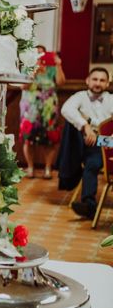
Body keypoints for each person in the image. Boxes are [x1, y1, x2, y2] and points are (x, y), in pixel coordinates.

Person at [61, 67, 113, 219]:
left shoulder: (111, 100)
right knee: (72, 130)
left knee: (92, 162)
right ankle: (87, 201)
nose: (98, 83)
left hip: (106, 145)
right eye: (95, 79)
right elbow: (66, 109)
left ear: (108, 83)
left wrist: (99, 137)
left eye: (102, 80)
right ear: (88, 81)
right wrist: (85, 125)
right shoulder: (80, 96)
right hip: (82, 144)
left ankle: (89, 205)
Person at [19, 45, 65, 179]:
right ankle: (30, 167)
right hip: (30, 108)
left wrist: (58, 65)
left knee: (50, 138)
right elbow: (23, 86)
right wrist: (33, 71)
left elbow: (61, 82)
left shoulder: (52, 68)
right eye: (36, 54)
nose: (39, 56)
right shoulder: (26, 68)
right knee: (28, 138)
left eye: (41, 54)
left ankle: (48, 169)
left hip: (48, 108)